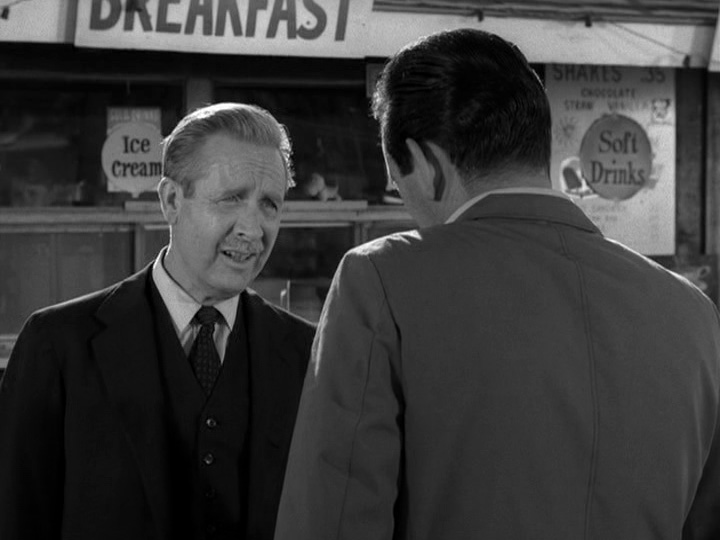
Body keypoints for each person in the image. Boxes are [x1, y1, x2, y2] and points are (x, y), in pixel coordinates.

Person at [273, 29, 720, 540]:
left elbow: (332, 521)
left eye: (396, 179)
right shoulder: (693, 313)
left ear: (427, 165)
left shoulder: (380, 279)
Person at [0, 102, 315, 540]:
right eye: (231, 198)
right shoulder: (57, 346)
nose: (253, 229)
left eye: (269, 204)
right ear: (171, 201)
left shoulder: (308, 355)